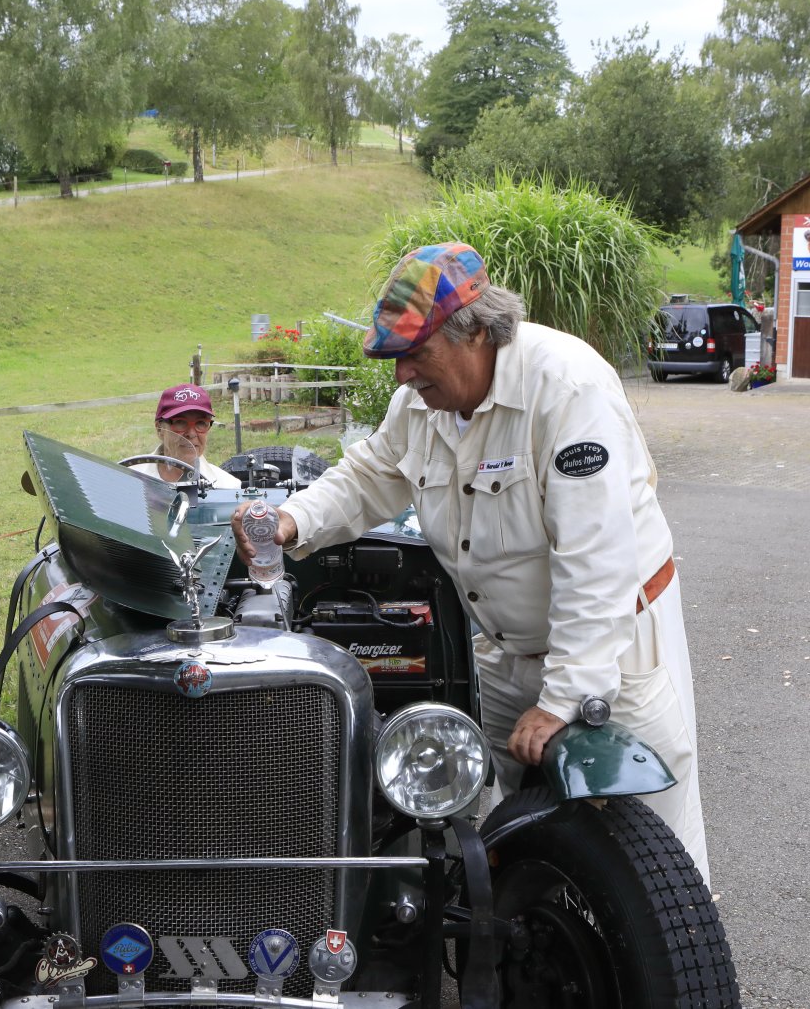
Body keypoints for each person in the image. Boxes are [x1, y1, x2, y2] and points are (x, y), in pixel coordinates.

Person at [231, 243, 709, 882]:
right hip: (504, 648)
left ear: (478, 332)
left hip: (610, 652)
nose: (402, 375)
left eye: (415, 354)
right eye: (396, 357)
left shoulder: (566, 387)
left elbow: (596, 559)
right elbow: (371, 473)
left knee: (648, 857)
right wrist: (291, 520)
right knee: (529, 836)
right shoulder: (422, 403)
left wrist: (566, 696)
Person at [129, 384, 241, 488]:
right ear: (159, 429)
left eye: (200, 423)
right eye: (180, 422)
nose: (191, 434)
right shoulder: (129, 477)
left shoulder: (227, 486)